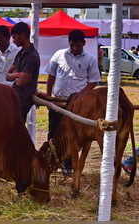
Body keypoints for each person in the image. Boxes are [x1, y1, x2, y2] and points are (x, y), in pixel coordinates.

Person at [46, 29, 101, 176]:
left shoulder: (90, 59)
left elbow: (93, 81)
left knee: (73, 136)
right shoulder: (59, 55)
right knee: (53, 133)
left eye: (78, 45)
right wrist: (48, 95)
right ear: (69, 43)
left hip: (77, 106)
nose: (75, 48)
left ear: (84, 43)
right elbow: (51, 76)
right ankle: (50, 162)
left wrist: (81, 97)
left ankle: (68, 166)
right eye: (72, 45)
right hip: (58, 102)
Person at [6, 22, 40, 122]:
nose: (13, 40)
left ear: (23, 35)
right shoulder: (20, 53)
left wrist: (15, 75)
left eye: (14, 37)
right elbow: (7, 75)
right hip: (15, 97)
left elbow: (21, 82)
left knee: (15, 128)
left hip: (23, 100)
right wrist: (19, 75)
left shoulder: (32, 56)